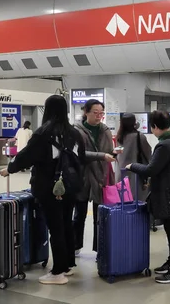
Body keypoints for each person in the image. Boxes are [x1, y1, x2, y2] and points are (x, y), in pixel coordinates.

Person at [0, 95, 85, 285]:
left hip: (50, 187)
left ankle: (58, 272)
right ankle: (68, 264)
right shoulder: (74, 133)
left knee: (56, 228)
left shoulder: (43, 134)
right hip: (70, 186)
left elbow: (25, 157)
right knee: (66, 224)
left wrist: (9, 169)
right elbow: (82, 159)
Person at [126, 110, 170, 284]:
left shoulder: (164, 145)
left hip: (167, 194)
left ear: (154, 127)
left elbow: (151, 169)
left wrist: (132, 166)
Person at [72, 99, 117, 256]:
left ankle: (100, 248)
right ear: (86, 112)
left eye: (101, 113)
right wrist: (102, 156)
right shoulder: (77, 130)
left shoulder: (105, 130)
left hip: (100, 176)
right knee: (79, 214)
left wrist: (113, 154)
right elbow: (78, 154)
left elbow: (109, 151)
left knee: (100, 216)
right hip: (82, 176)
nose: (99, 116)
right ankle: (75, 245)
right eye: (95, 113)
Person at [116, 113, 152, 201]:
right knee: (137, 202)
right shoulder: (139, 136)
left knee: (124, 202)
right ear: (134, 122)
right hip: (136, 174)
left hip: (121, 174)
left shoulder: (119, 137)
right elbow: (148, 153)